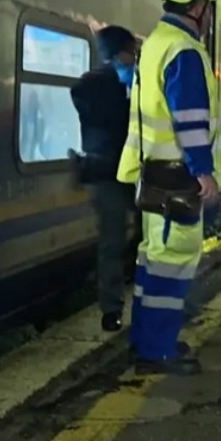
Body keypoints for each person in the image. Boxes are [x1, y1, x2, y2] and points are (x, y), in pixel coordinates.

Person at [116, 0, 220, 375]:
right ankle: (156, 350)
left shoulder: (155, 43)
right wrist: (204, 171)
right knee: (171, 260)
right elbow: (189, 117)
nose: (209, 16)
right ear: (197, 7)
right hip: (175, 177)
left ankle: (147, 340)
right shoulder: (185, 51)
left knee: (152, 259)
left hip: (151, 175)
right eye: (208, 8)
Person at [70, 25, 140, 332]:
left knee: (132, 239)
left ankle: (122, 298)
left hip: (130, 173)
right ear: (118, 54)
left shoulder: (116, 83)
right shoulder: (95, 84)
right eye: (131, 53)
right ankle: (111, 308)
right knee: (113, 243)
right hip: (111, 173)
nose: (134, 59)